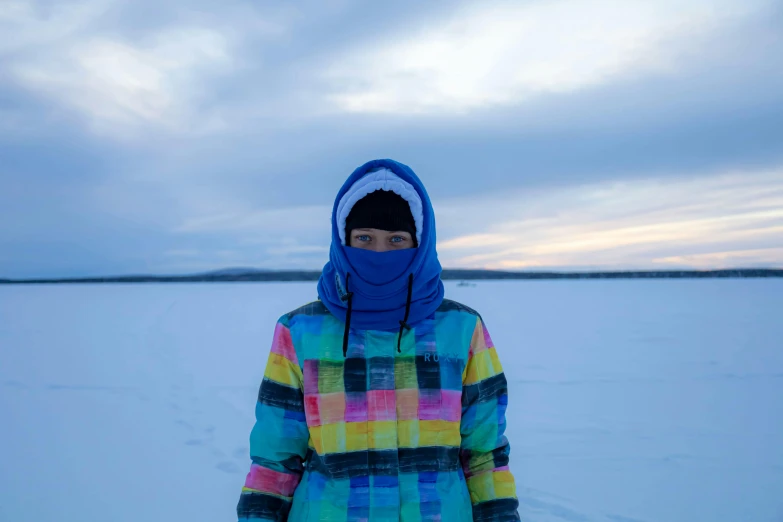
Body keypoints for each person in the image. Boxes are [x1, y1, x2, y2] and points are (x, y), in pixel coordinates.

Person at [237, 159, 519, 521]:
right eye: (365, 238)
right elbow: (274, 459)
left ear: (420, 244)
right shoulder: (300, 331)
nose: (379, 253)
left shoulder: (461, 329)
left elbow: (485, 455)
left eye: (397, 239)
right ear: (344, 241)